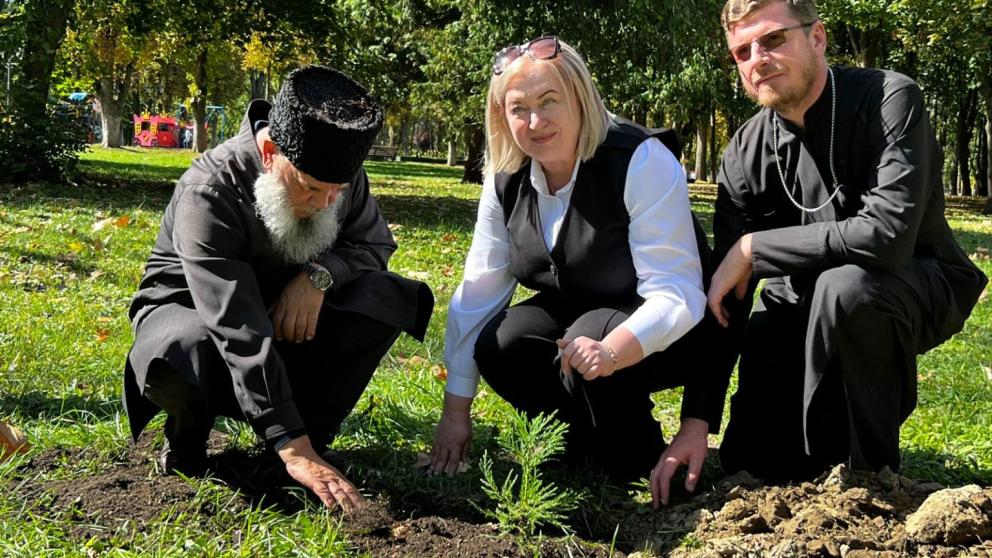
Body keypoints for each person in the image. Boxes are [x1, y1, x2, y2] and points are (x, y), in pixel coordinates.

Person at [122, 66, 434, 512]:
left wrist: (318, 275)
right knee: (178, 349)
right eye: (310, 188)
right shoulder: (209, 189)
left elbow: (374, 243)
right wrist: (290, 441)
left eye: (337, 192)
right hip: (202, 318)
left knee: (387, 297)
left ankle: (310, 440)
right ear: (270, 152)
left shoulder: (337, 179)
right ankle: (189, 439)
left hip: (287, 320)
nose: (326, 204)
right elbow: (236, 324)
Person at [428, 37, 729, 498]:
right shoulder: (506, 177)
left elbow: (677, 292)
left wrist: (612, 352)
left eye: (550, 101)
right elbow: (478, 292)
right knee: (503, 340)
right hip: (579, 321)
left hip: (670, 329)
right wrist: (455, 414)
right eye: (518, 108)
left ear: (580, 98)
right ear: (501, 117)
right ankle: (578, 442)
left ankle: (636, 456)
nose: (535, 121)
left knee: (591, 337)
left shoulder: (639, 160)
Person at [711, 0, 987, 482]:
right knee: (755, 460)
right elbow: (723, 297)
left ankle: (873, 478)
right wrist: (696, 420)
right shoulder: (745, 150)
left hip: (912, 281)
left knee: (847, 288)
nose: (758, 58)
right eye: (742, 51)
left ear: (817, 38)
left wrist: (753, 249)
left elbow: (888, 237)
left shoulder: (889, 98)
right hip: (799, 299)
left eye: (773, 39)